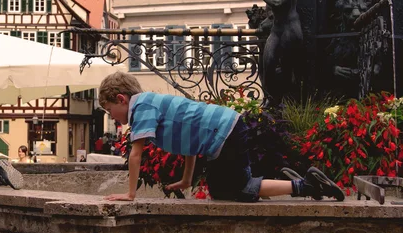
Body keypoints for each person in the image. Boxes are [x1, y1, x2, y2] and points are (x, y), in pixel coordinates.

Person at [98, 72, 344, 202]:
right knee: (220, 190)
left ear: (121, 99)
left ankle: (306, 186)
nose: (113, 117)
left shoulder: (141, 108)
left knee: (242, 189)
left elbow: (136, 153)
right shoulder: (151, 103)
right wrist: (186, 180)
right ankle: (291, 180)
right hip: (227, 129)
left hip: (225, 133)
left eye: (110, 110)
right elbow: (189, 143)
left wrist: (130, 194)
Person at [247, 0, 303, 108]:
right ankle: (271, 98)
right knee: (268, 64)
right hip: (277, 30)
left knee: (286, 68)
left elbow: (278, 2)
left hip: (290, 31)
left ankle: (286, 101)